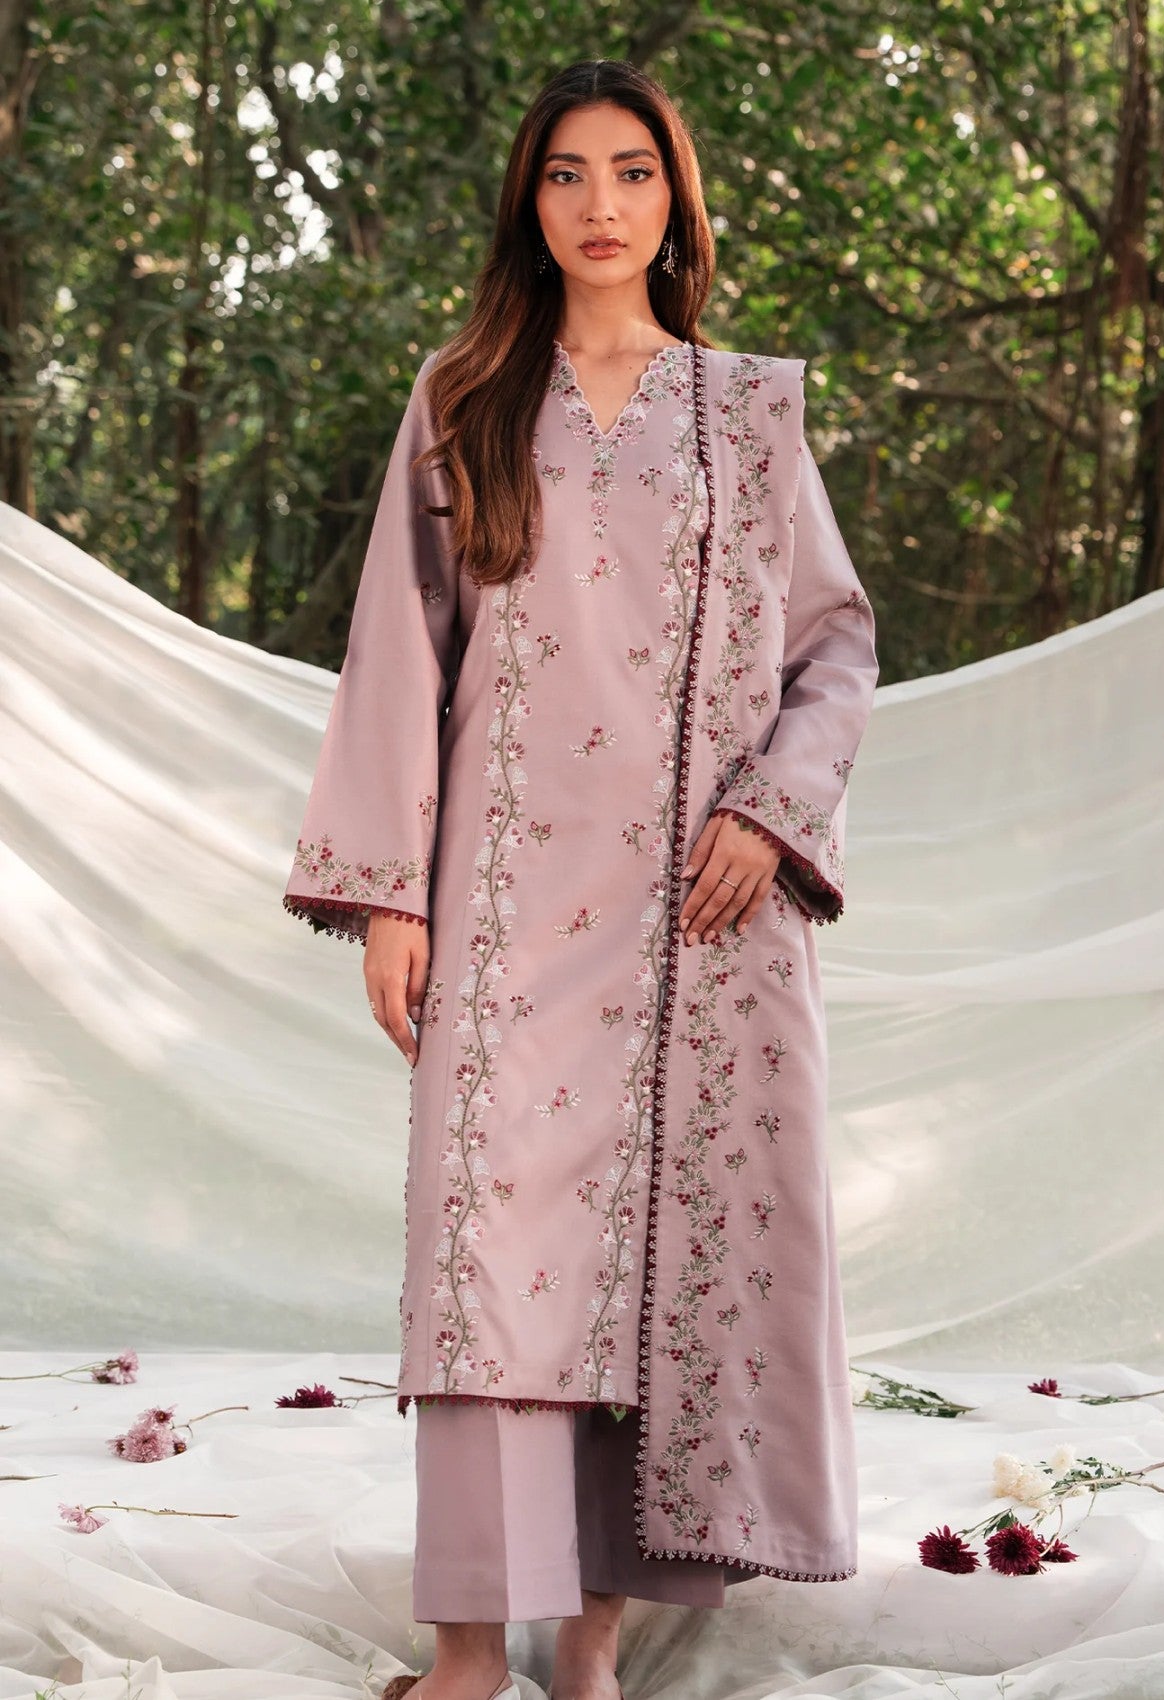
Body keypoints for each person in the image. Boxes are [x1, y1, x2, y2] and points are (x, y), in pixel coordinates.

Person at [282, 57, 880, 1700]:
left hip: (694, 913)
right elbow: (398, 645)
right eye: (565, 174)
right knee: (487, 1257)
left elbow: (834, 646)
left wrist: (771, 812)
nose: (600, 204)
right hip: (500, 901)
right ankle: (471, 1656)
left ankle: (593, 1650)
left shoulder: (748, 413)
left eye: (631, 172)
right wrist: (390, 892)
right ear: (527, 203)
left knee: (650, 1268)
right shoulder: (465, 392)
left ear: (675, 200)